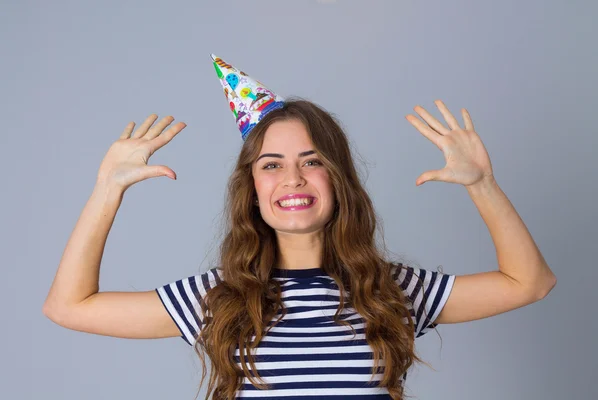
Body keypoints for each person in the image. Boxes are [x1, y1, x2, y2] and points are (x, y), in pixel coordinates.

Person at [43, 55, 557, 399]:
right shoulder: (217, 299)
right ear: (254, 189)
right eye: (271, 164)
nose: (292, 178)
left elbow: (529, 283)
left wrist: (483, 183)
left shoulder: (390, 291)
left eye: (312, 161)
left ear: (339, 180)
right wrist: (107, 189)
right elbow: (69, 306)